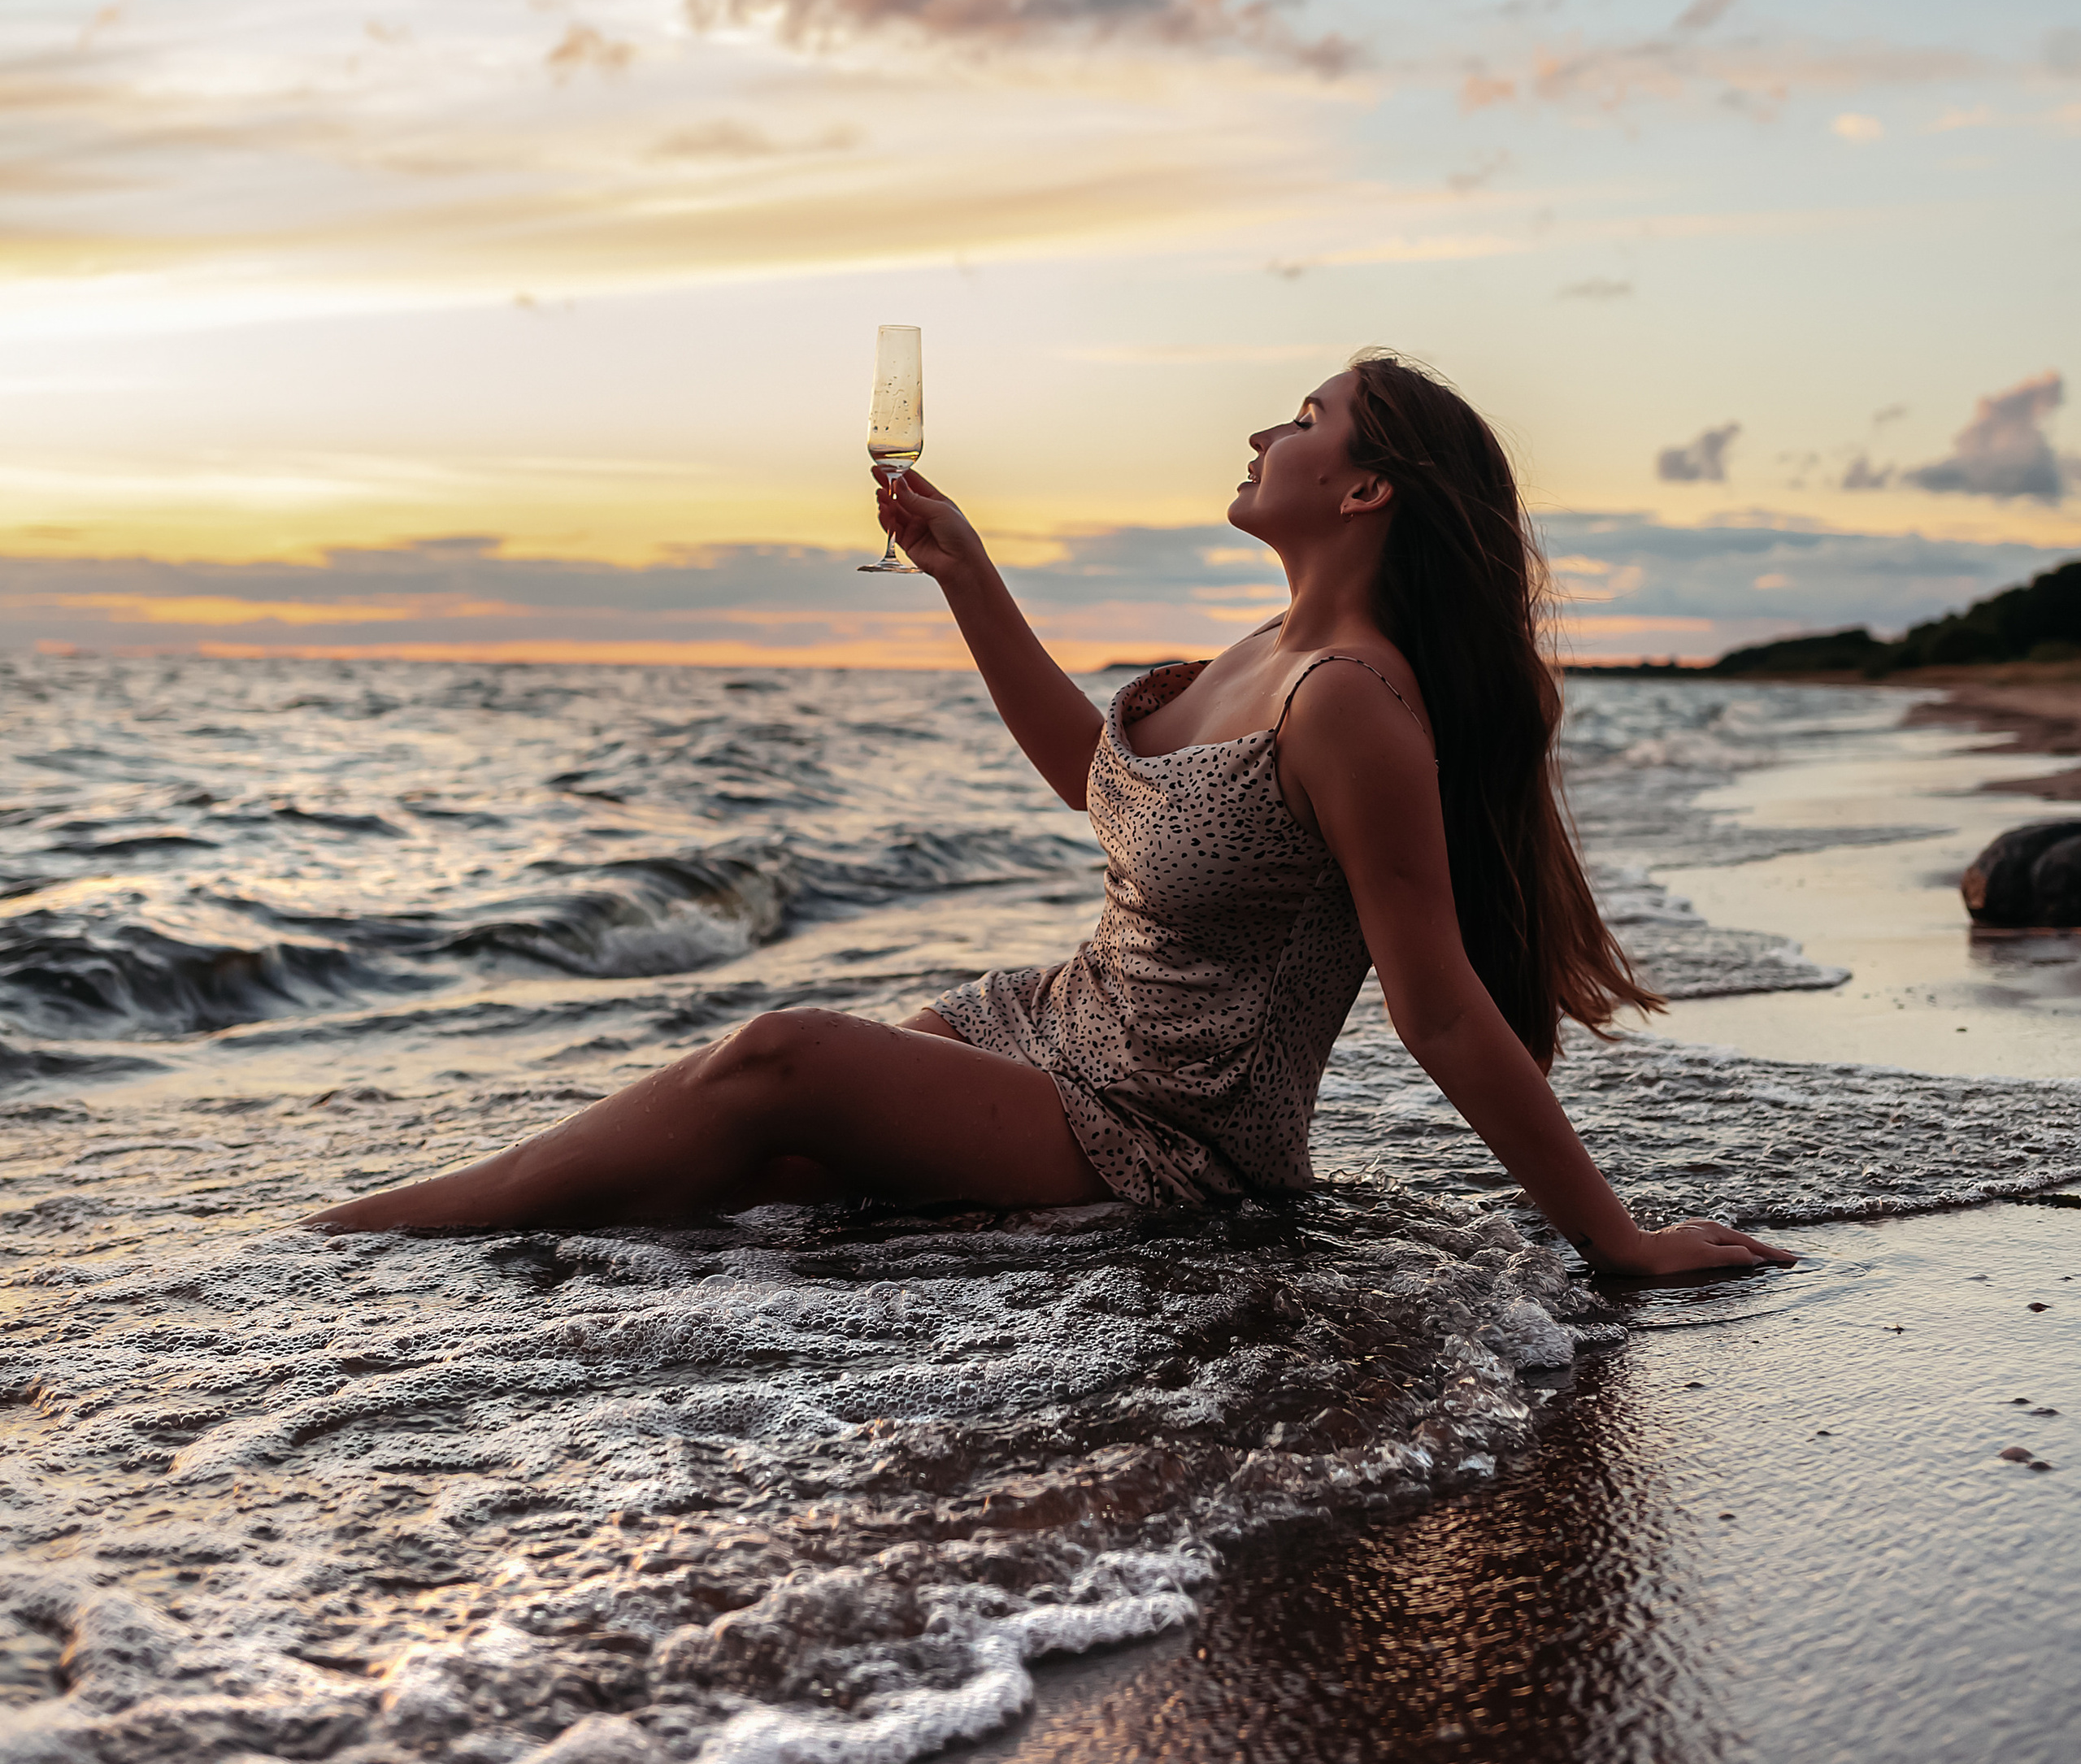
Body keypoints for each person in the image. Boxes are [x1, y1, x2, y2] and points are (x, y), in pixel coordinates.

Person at [309, 351, 1791, 1275]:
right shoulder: (1260, 655)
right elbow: (1098, 778)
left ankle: (387, 1231)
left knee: (780, 1057)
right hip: (1054, 1030)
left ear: (1364, 491)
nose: (1263, 430)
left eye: (1303, 417)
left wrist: (1619, 1241)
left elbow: (1443, 1011)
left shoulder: (1350, 699)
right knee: (752, 1181)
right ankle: (490, 1273)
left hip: (1167, 1134)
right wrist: (967, 574)